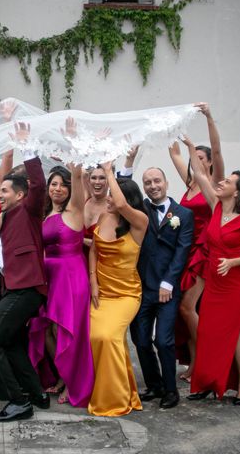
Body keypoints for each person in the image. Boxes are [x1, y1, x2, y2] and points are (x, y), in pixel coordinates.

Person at [180, 136, 240, 405]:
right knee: (207, 333)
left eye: (228, 181)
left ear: (237, 192)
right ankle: (206, 382)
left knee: (233, 335)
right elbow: (200, 170)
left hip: (238, 284)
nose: (222, 182)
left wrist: (233, 261)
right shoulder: (216, 207)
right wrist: (191, 147)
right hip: (215, 281)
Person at [0, 122, 50, 423]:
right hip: (14, 289)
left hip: (27, 289)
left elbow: (39, 184)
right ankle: (36, 394)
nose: (0, 194)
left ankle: (17, 403)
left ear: (21, 195)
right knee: (12, 343)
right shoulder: (8, 217)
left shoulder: (30, 210)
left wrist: (26, 146)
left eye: (4, 191)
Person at [28, 117, 95, 407]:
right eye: (52, 184)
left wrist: (71, 142)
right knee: (50, 329)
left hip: (72, 276)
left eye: (61, 184)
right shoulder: (46, 217)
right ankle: (60, 373)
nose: (56, 188)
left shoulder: (76, 210)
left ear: (68, 188)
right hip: (50, 278)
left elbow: (78, 174)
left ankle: (71, 381)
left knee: (70, 329)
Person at [168, 102, 225, 382]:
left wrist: (209, 118)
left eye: (202, 158)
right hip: (186, 250)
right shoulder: (190, 183)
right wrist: (171, 124)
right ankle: (192, 364)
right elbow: (174, 151)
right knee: (186, 310)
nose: (198, 160)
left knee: (187, 306)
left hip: (205, 251)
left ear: (210, 162)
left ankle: (206, 359)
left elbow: (215, 149)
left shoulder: (214, 183)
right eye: (197, 157)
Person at [130, 166, 194, 409]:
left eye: (157, 180)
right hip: (143, 286)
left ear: (166, 182)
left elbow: (181, 252)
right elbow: (124, 189)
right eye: (147, 182)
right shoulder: (140, 210)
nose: (152, 186)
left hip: (167, 288)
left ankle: (170, 389)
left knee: (164, 341)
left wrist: (168, 283)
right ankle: (154, 384)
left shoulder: (183, 215)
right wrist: (128, 161)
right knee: (141, 339)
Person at [88, 161, 148, 416]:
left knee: (109, 337)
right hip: (101, 290)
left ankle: (113, 399)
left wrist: (110, 170)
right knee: (96, 338)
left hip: (126, 294)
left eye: (113, 194)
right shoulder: (105, 217)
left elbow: (122, 205)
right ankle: (125, 391)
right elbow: (94, 249)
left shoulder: (140, 222)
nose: (110, 199)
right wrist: (92, 281)